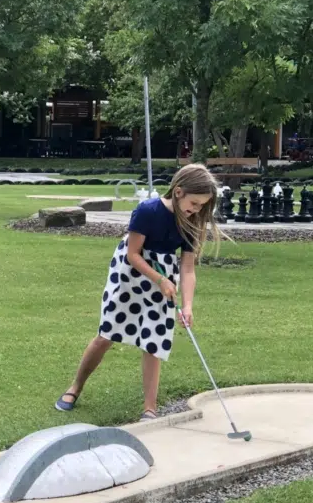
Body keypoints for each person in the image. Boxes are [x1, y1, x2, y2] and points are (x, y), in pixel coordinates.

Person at [55, 163, 223, 420]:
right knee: (107, 333)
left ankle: (149, 408)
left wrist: (187, 305)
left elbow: (188, 268)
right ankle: (75, 387)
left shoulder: (192, 223)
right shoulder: (148, 211)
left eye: (202, 205)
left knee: (154, 340)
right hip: (130, 272)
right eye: (195, 203)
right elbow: (133, 254)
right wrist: (159, 279)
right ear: (178, 192)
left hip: (163, 277)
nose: (197, 210)